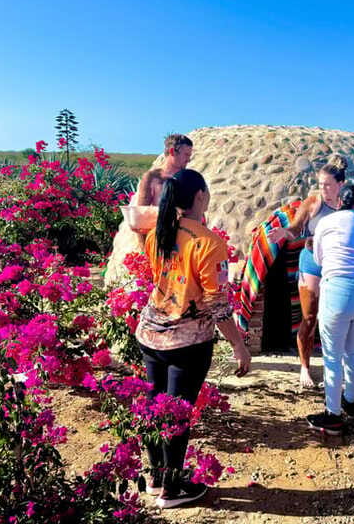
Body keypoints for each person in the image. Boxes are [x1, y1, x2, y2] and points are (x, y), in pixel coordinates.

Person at [136, 169, 251, 509]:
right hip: (187, 343)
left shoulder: (159, 234)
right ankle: (172, 491)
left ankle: (157, 478)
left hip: (152, 333)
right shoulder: (208, 243)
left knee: (155, 408)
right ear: (200, 196)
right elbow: (217, 306)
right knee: (177, 413)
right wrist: (239, 344)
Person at [306, 185, 354, 436]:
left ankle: (333, 415)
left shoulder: (327, 222)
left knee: (332, 355)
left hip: (339, 291)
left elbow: (318, 259)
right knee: (353, 349)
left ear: (340, 202)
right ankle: (350, 399)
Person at [267, 155, 348, 387]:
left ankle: (335, 369)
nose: (323, 189)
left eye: (328, 184)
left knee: (336, 317)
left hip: (336, 265)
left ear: (341, 184)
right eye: (321, 184)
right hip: (312, 262)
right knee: (309, 316)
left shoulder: (345, 207)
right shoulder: (314, 202)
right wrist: (284, 233)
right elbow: (295, 227)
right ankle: (305, 367)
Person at [136, 134, 194, 207]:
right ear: (172, 152)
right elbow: (141, 212)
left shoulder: (189, 179)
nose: (189, 160)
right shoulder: (152, 177)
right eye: (186, 155)